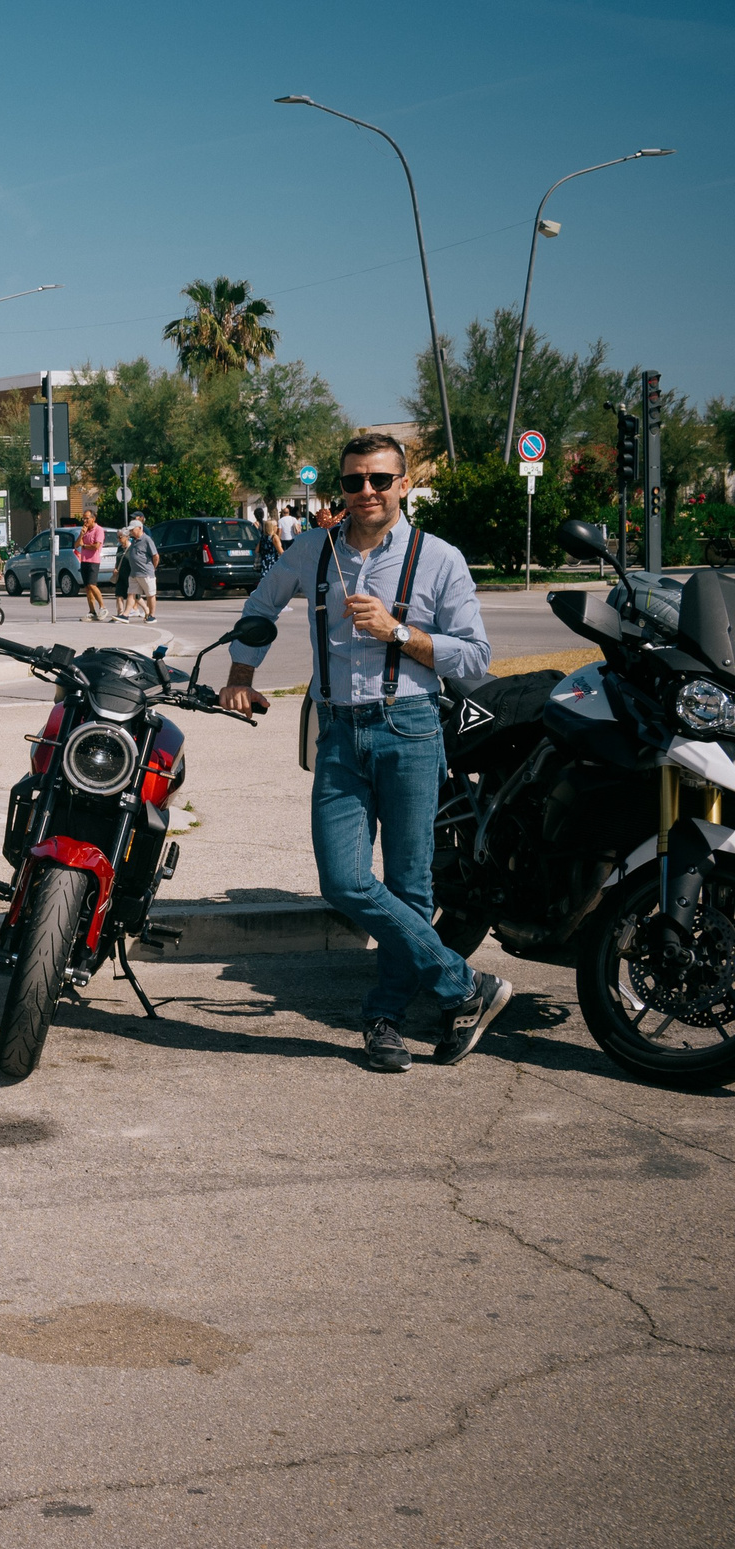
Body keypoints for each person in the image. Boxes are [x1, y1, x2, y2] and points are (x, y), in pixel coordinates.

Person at [221, 432, 505, 1074]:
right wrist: (241, 676)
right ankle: (465, 987)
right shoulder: (313, 550)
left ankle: (385, 1019)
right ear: (341, 489)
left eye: (380, 480)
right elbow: (260, 606)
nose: (367, 493)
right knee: (344, 881)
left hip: (409, 728)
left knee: (409, 883)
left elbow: (476, 656)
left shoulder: (439, 558)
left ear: (403, 484)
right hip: (339, 733)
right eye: (354, 482)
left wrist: (399, 631)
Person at [119, 514, 160, 621]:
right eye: (130, 530)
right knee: (131, 594)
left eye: (133, 530)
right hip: (134, 573)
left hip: (146, 573)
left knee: (150, 594)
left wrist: (152, 568)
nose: (131, 532)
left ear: (140, 528)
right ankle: (126, 615)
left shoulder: (147, 540)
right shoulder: (134, 541)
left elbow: (155, 556)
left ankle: (151, 615)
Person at [75, 511, 111, 623]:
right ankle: (92, 611)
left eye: (87, 518)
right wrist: (81, 534)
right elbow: (76, 545)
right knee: (87, 588)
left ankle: (103, 607)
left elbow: (96, 546)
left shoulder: (98, 530)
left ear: (93, 518)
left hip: (93, 561)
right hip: (84, 561)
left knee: (92, 584)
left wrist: (84, 545)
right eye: (83, 519)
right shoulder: (84, 530)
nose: (85, 521)